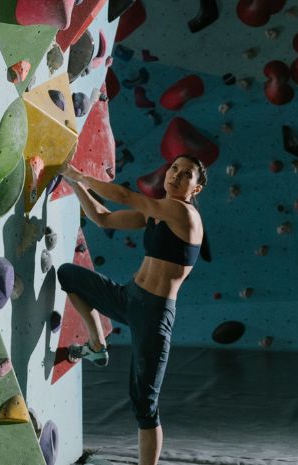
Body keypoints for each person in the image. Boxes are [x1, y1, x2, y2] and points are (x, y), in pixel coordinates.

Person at [57, 155, 206, 465]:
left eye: (186, 174)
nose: (176, 175)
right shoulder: (156, 214)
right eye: (174, 168)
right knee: (69, 276)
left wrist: (78, 174)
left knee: (144, 405)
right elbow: (103, 218)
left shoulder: (184, 214)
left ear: (197, 188)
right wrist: (73, 183)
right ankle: (97, 346)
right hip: (129, 297)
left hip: (153, 315)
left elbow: (124, 196)